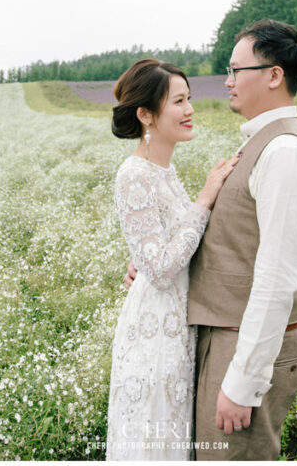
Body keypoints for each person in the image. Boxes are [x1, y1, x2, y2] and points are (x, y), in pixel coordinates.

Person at [188, 19, 297, 460]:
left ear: (273, 75)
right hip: (229, 335)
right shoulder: (262, 144)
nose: (227, 82)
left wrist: (243, 381)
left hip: (246, 347)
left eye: (235, 70)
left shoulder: (285, 153)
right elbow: (235, 242)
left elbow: (277, 276)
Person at [107, 59, 240, 460]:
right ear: (145, 114)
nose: (190, 109)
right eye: (178, 101)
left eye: (189, 99)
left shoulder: (165, 171)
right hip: (154, 333)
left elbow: (158, 252)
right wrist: (206, 198)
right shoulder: (134, 174)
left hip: (176, 327)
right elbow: (162, 269)